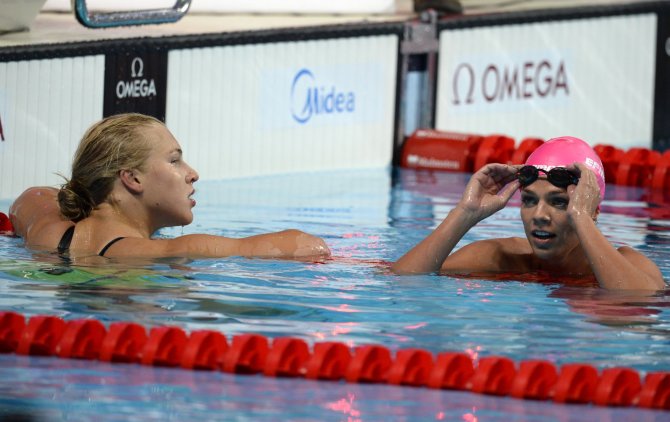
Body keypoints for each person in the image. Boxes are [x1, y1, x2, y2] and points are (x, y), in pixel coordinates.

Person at [8, 113, 330, 261]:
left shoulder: (48, 232)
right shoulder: (161, 253)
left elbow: (34, 196)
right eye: (175, 161)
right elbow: (308, 245)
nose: (193, 174)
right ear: (132, 179)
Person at [391, 136, 666, 291]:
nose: (539, 215)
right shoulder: (504, 258)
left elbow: (636, 304)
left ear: (593, 210)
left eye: (559, 203)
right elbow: (403, 280)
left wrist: (580, 216)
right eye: (530, 200)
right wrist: (464, 214)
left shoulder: (632, 265)